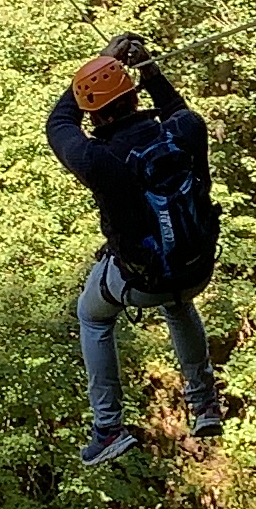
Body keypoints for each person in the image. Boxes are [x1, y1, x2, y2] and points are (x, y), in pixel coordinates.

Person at [47, 33, 223, 467]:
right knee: (180, 304)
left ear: (95, 116)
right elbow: (176, 109)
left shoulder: (97, 160)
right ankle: (204, 406)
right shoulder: (186, 132)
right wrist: (148, 69)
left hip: (142, 280)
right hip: (197, 267)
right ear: (132, 97)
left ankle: (108, 428)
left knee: (92, 316)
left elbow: (58, 125)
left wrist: (98, 63)